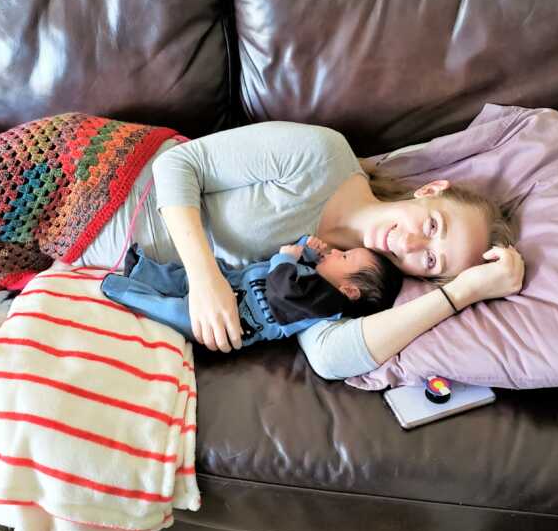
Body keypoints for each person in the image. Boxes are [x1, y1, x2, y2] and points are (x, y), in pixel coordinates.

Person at [74, 119, 524, 380]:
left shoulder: (342, 278)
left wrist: (463, 293)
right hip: (99, 178)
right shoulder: (323, 154)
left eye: (430, 260)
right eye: (431, 225)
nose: (408, 243)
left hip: (102, 255)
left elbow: (331, 359)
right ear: (429, 190)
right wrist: (206, 278)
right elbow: (178, 163)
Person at [99, 234, 403, 347]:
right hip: (229, 283)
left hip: (225, 324)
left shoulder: (326, 303)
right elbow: (294, 267)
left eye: (345, 257)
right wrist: (306, 250)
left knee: (176, 311)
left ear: (349, 291)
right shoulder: (317, 276)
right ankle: (141, 269)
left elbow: (285, 291)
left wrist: (287, 258)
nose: (337, 252)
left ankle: (121, 292)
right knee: (185, 278)